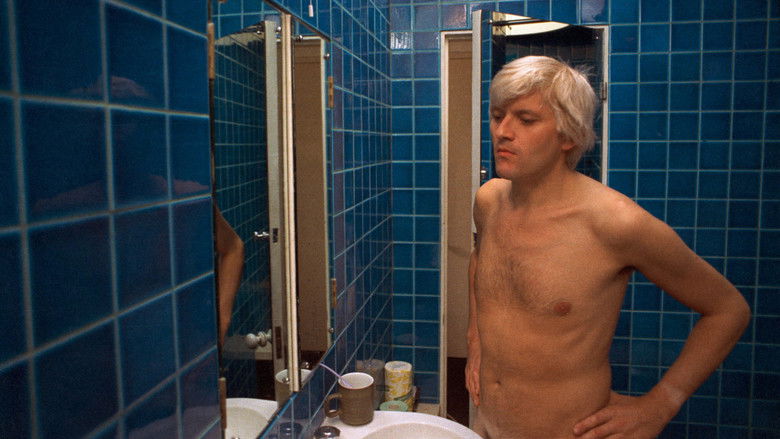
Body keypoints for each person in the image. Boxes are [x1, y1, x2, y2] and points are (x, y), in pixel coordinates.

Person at [466, 56, 750, 439]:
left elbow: (728, 309)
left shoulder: (615, 223)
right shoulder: (489, 201)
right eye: (498, 116)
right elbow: (481, 261)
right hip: (486, 424)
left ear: (568, 135)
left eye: (526, 120)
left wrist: (661, 404)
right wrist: (475, 340)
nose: (503, 131)